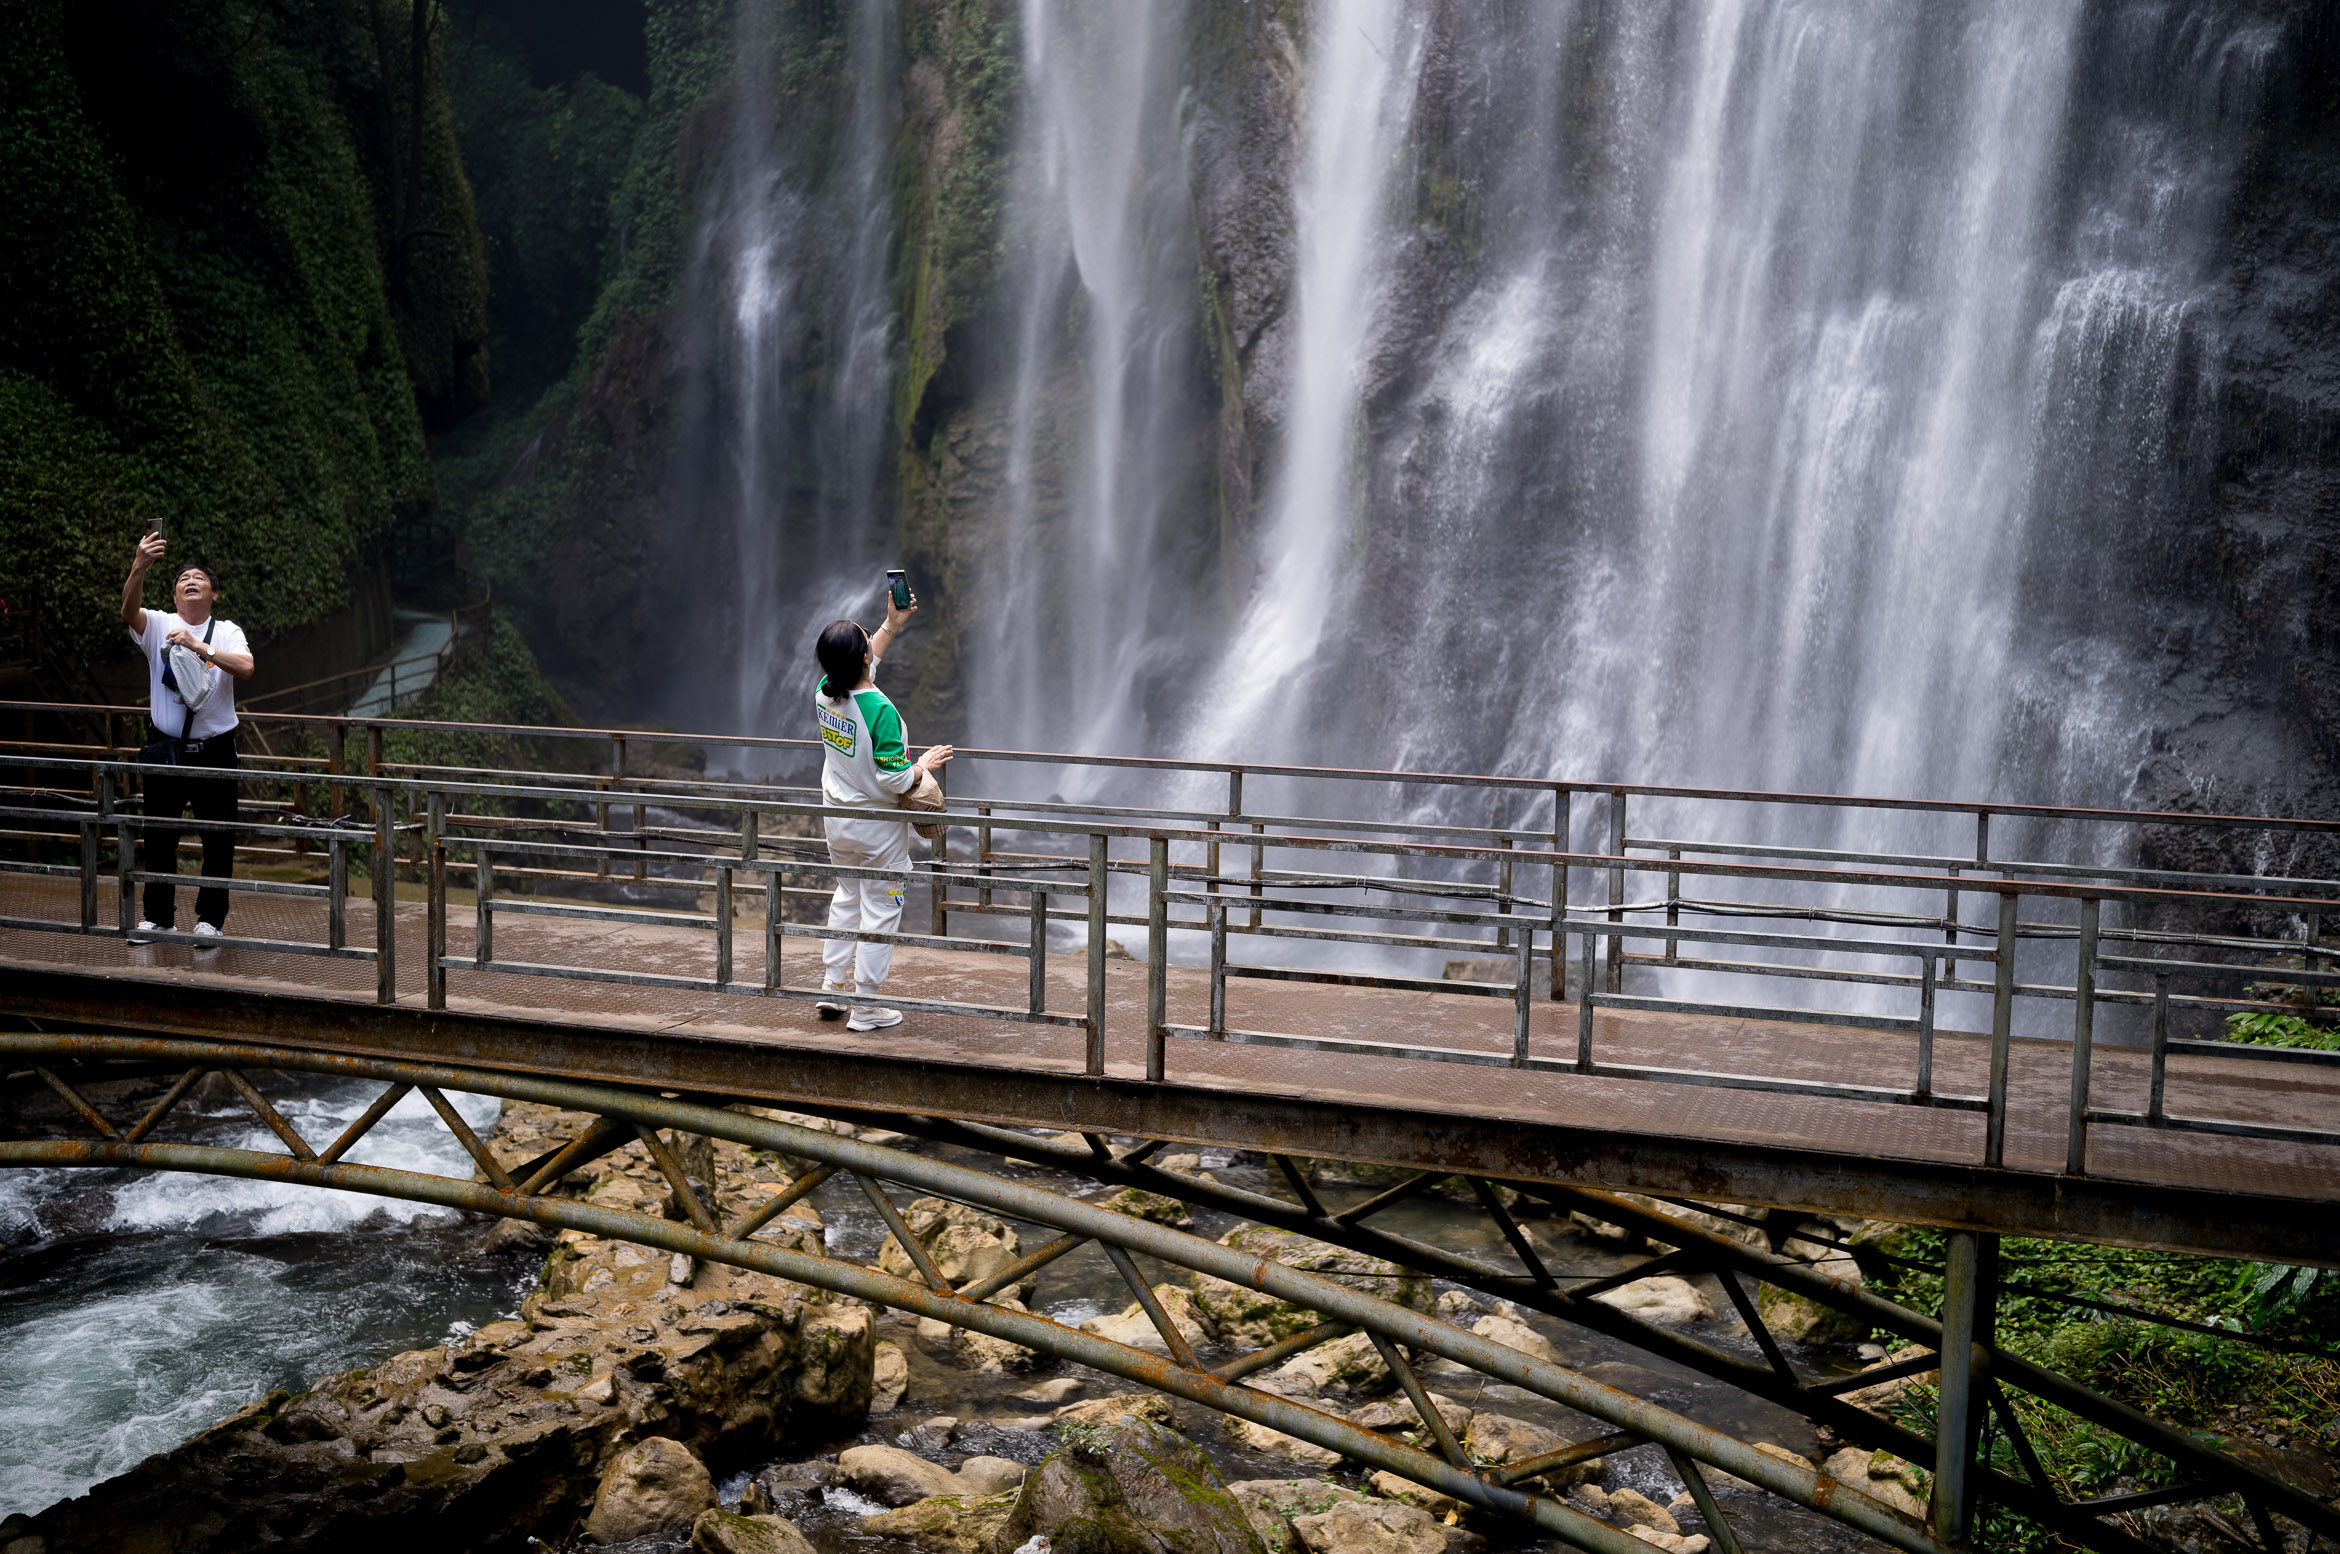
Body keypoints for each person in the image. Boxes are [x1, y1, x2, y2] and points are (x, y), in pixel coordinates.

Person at [811, 587, 951, 1030]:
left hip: (838, 819)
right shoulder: (882, 712)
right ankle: (867, 1008)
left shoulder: (825, 691)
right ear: (863, 659)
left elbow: (860, 665)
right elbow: (893, 778)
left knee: (847, 896)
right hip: (876, 827)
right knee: (881, 911)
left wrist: (891, 625)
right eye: (866, 639)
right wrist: (922, 766)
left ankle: (832, 990)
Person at [120, 531, 255, 942]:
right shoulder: (159, 622)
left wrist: (199, 646)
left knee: (218, 838)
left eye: (199, 578)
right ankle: (157, 916)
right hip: (165, 747)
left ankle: (209, 921)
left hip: (215, 749)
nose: (190, 580)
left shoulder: (227, 630)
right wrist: (139, 565)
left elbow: (246, 668)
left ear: (214, 594)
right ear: (176, 596)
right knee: (159, 834)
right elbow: (128, 612)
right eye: (183, 579)